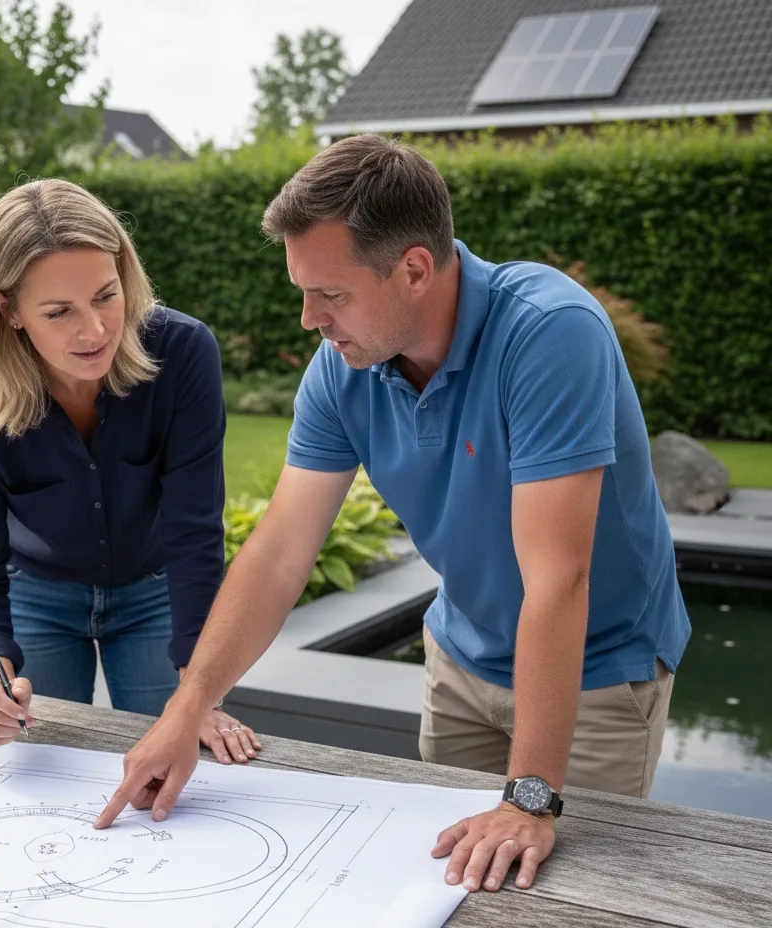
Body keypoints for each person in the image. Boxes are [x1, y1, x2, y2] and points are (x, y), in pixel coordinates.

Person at [92, 134, 691, 894]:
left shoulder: (548, 334)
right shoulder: (343, 371)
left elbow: (558, 580)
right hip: (460, 663)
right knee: (437, 888)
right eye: (302, 291)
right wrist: (187, 709)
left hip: (598, 678)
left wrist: (532, 796)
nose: (310, 318)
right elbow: (280, 553)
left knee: (563, 900)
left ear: (413, 268)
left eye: (331, 294)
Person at [0, 178, 261, 766]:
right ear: (7, 308)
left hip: (156, 591)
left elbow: (193, 533)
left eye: (106, 296)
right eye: (59, 312)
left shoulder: (183, 353)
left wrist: (198, 690)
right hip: (38, 598)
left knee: (184, 766)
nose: (95, 330)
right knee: (42, 769)